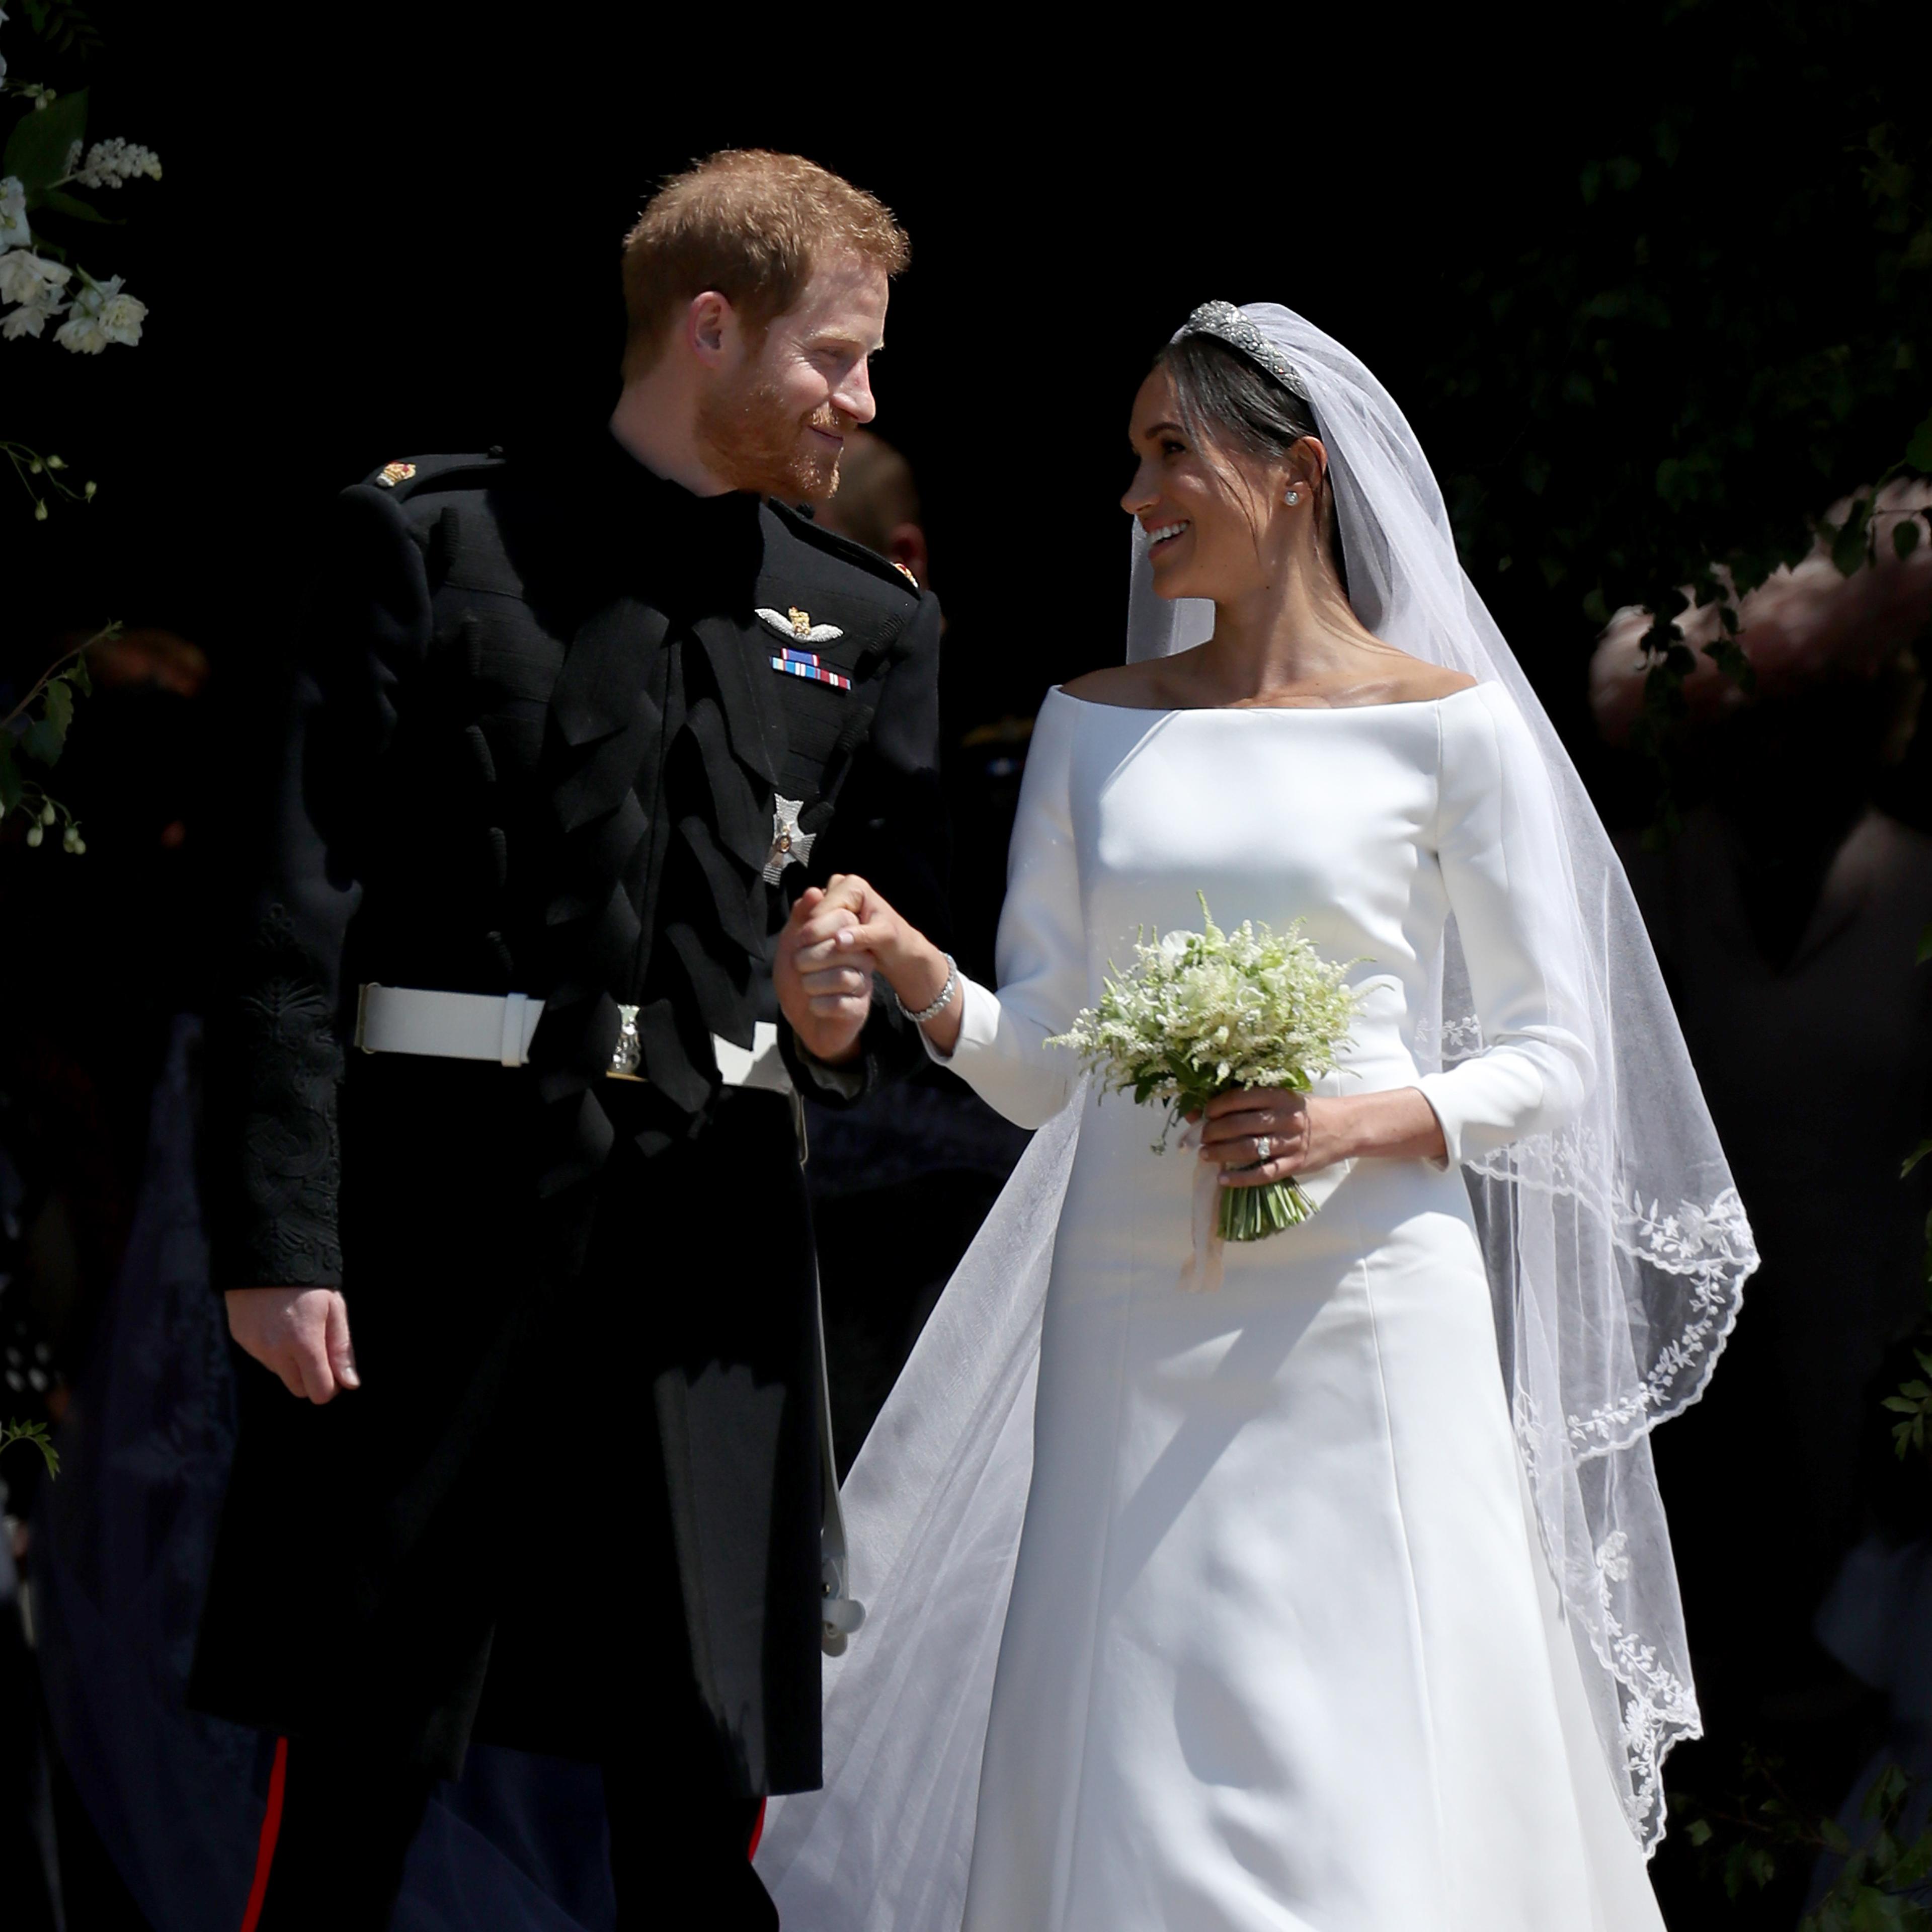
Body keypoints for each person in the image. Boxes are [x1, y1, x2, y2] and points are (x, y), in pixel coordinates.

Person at [755, 303, 1757, 1930]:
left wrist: (1355, 1123)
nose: (1136, 495)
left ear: (1296, 475)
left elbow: (1554, 1057)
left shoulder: (1449, 729)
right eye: (1134, 455)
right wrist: (925, 978)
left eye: (1172, 453)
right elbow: (1050, 1068)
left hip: (1367, 1298)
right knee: (1135, 1704)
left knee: (1373, 1702)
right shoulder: (1092, 723)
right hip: (1129, 1295)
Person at [191, 149, 948, 1931]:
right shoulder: (427, 541)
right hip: (435, 1230)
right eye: (836, 356)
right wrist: (281, 1239)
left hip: (711, 1250)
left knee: (699, 1788)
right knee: (357, 1772)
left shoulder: (869, 620)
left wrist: (843, 1025)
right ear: (711, 327)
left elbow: (879, 970)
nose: (863, 400)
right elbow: (288, 916)